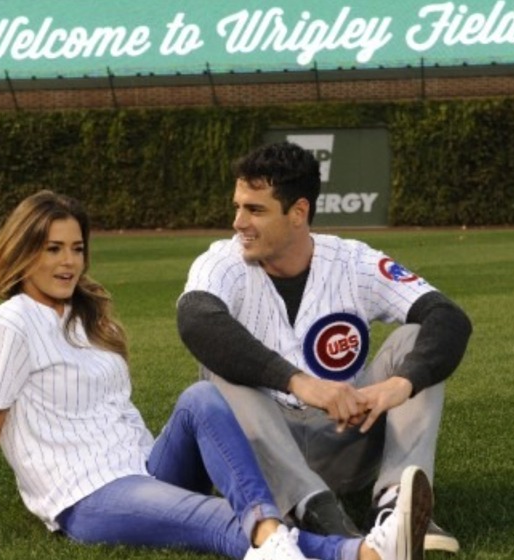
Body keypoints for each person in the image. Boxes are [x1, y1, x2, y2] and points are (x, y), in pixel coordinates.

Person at [0, 189, 434, 560]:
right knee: (215, 516)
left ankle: (277, 531)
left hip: (144, 467)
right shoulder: (8, 326)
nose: (68, 262)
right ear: (23, 254)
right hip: (88, 496)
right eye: (52, 250)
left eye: (77, 249)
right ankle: (358, 553)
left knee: (202, 396)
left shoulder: (83, 318)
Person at [176, 142, 472, 554]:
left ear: (298, 212)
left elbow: (448, 317)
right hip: (264, 449)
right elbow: (196, 320)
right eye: (238, 206)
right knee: (219, 368)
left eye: (255, 210)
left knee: (415, 338)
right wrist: (298, 383)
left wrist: (400, 385)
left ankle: (393, 505)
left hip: (346, 435)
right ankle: (316, 509)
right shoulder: (223, 261)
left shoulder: (352, 262)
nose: (238, 222)